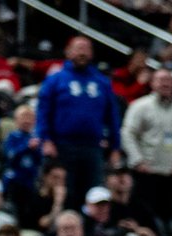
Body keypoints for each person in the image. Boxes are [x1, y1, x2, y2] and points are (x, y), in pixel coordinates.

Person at [35, 37, 122, 210]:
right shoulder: (56, 80)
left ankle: (90, 232)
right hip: (62, 146)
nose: (82, 53)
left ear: (92, 53)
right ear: (68, 52)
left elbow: (112, 116)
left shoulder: (101, 82)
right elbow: (43, 111)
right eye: (78, 48)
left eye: (86, 49)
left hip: (92, 147)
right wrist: (45, 139)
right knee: (67, 192)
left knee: (94, 193)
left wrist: (115, 147)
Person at [120, 69, 172, 223]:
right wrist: (138, 160)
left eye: (168, 80)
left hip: (171, 173)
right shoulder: (140, 105)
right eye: (161, 80)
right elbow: (128, 134)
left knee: (167, 216)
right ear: (152, 83)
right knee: (143, 216)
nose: (165, 83)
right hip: (146, 172)